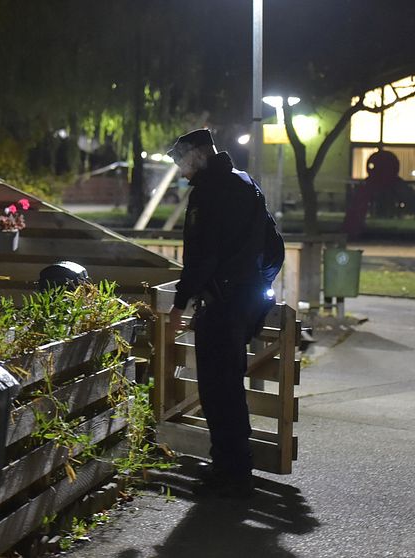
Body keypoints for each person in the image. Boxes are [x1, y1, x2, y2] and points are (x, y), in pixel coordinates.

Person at [166, 128, 284, 498]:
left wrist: (179, 305)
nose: (182, 172)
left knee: (217, 389)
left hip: (221, 302)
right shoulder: (246, 184)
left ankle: (230, 470)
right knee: (230, 384)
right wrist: (256, 291)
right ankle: (236, 465)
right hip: (247, 300)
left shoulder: (208, 192)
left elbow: (202, 256)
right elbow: (273, 245)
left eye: (183, 162)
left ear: (199, 155)